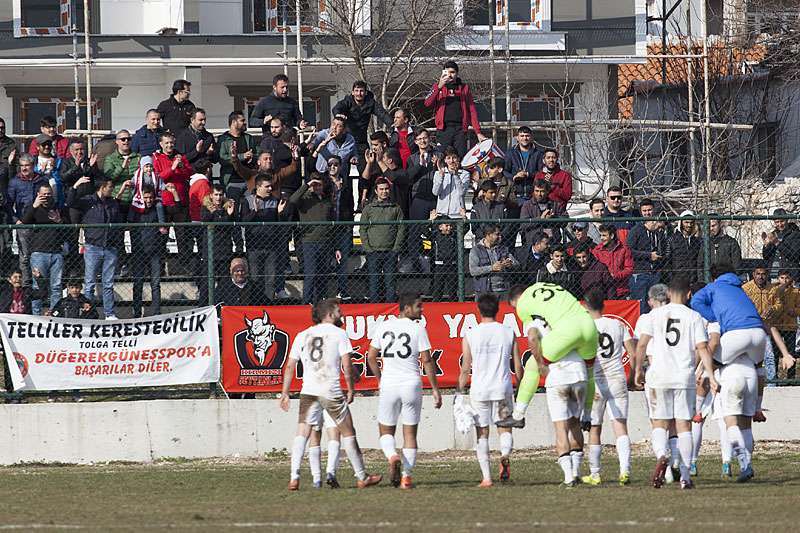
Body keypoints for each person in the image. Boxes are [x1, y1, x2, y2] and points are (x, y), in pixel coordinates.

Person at [281, 298, 382, 490]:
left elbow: (290, 366)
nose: (341, 314)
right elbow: (346, 364)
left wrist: (285, 392)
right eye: (338, 311)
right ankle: (362, 476)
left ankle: (294, 477)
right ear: (329, 315)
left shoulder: (303, 335)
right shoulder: (339, 333)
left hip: (308, 390)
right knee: (348, 432)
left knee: (302, 433)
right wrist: (351, 388)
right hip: (330, 390)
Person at [635, 276, 718, 489]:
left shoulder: (654, 315)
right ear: (689, 294)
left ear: (669, 294)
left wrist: (637, 370)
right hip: (683, 378)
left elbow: (642, 344)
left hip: (659, 377)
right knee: (684, 427)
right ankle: (684, 477)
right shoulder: (694, 317)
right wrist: (710, 373)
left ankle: (662, 454)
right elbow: (702, 348)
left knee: (660, 423)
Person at [497, 282, 598, 433]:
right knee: (590, 373)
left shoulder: (523, 304)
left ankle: (518, 414)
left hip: (568, 329)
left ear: (517, 298)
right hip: (589, 324)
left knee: (532, 364)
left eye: (514, 306)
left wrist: (540, 365)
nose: (516, 310)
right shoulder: (543, 285)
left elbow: (532, 337)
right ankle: (588, 416)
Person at [367, 292, 442, 489]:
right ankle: (406, 479)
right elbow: (427, 360)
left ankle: (392, 457)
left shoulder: (384, 326)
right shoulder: (418, 329)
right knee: (410, 435)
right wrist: (435, 389)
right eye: (419, 306)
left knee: (385, 431)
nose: (422, 309)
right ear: (406, 308)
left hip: (390, 385)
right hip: (411, 384)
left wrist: (379, 380)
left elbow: (371, 356)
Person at [457, 291, 522, 486]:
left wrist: (458, 392)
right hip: (502, 387)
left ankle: (486, 478)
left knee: (482, 433)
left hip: (480, 390)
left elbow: (465, 368)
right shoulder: (508, 332)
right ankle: (504, 455)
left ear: (478, 310)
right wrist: (521, 387)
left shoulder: (470, 334)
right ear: (498, 309)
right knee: (505, 428)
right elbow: (518, 365)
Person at [581, 291, 636, 486]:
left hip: (596, 380)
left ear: (586, 306)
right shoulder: (617, 324)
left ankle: (595, 475)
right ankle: (625, 471)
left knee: (594, 428)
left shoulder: (585, 327)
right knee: (620, 426)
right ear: (603, 305)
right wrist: (634, 375)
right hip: (617, 378)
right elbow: (632, 351)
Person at [67, 176, 125, 319]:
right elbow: (70, 202)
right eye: (110, 187)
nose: (112, 189)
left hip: (110, 247)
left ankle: (109, 314)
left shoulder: (113, 203)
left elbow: (118, 222)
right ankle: (88, 314)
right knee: (90, 283)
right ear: (102, 187)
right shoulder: (88, 201)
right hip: (93, 246)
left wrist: (116, 242)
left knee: (108, 283)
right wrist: (75, 186)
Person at [290, 173, 336, 305]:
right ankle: (305, 303)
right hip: (309, 242)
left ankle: (318, 304)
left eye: (319, 184)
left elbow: (333, 224)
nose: (316, 187)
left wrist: (336, 247)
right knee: (311, 274)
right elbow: (293, 200)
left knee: (323, 276)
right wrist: (307, 185)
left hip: (326, 243)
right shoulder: (305, 198)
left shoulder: (327, 201)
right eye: (314, 184)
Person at [21, 183, 67, 315]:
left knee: (56, 287)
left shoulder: (57, 209)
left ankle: (55, 313)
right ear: (38, 195)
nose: (46, 197)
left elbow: (67, 231)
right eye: (43, 194)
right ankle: (36, 315)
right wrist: (35, 205)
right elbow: (24, 222)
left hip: (56, 253)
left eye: (49, 194)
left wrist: (59, 221)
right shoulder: (32, 209)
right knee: (37, 287)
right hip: (39, 253)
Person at [424, 60, 486, 157]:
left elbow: (472, 110)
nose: (449, 75)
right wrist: (439, 86)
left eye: (452, 72)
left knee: (460, 158)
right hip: (444, 129)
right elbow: (427, 103)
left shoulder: (464, 88)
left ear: (457, 73)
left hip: (460, 129)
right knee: (440, 157)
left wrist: (478, 132)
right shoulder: (438, 87)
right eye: (447, 72)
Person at [151, 132, 194, 273]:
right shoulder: (156, 158)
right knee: (162, 237)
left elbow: (189, 175)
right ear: (161, 144)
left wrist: (181, 166)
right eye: (167, 143)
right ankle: (161, 266)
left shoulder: (180, 156)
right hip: (164, 201)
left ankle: (184, 265)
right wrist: (172, 167)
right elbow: (158, 177)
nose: (170, 145)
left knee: (182, 236)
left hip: (180, 201)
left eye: (172, 142)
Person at [240, 175, 287, 301]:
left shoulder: (276, 201)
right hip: (254, 247)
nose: (270, 188)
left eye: (271, 186)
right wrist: (255, 211)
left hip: (272, 248)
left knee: (270, 280)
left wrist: (279, 213)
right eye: (267, 186)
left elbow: (280, 224)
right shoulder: (247, 200)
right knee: (255, 279)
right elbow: (243, 221)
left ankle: (269, 305)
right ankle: (257, 306)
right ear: (258, 187)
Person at [360, 178, 404, 303]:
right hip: (373, 252)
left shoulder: (396, 208)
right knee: (374, 283)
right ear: (376, 191)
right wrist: (368, 249)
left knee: (390, 283)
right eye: (381, 189)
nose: (384, 191)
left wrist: (396, 248)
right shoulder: (369, 209)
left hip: (390, 251)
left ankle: (390, 310)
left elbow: (401, 228)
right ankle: (375, 310)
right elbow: (363, 229)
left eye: (386, 189)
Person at [332, 80, 393, 170]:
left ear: (365, 92)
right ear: (353, 92)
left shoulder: (370, 103)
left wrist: (390, 129)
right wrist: (338, 114)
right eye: (356, 91)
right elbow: (337, 107)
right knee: (343, 170)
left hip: (361, 142)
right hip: (346, 141)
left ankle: (364, 184)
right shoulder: (348, 101)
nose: (359, 94)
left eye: (361, 91)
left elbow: (383, 115)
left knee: (366, 168)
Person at [8, 153, 49, 285]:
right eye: (22, 166)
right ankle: (26, 286)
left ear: (33, 166)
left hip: (40, 222)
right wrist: (16, 220)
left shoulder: (41, 180)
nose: (24, 168)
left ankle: (40, 287)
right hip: (23, 222)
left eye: (27, 165)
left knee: (39, 256)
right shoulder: (15, 181)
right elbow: (8, 204)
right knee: (24, 257)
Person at [128, 184, 166, 317]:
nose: (148, 200)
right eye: (146, 198)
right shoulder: (135, 210)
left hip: (154, 251)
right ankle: (137, 314)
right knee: (138, 283)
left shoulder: (158, 210)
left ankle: (156, 313)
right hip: (138, 252)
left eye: (150, 198)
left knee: (155, 284)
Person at [625, 208, 667, 312]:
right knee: (641, 307)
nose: (660, 229)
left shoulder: (656, 234)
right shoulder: (636, 231)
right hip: (640, 274)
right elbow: (628, 250)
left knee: (654, 306)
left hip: (653, 274)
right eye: (659, 227)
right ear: (653, 221)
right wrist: (648, 255)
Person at [327, 155, 355, 300]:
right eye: (330, 164)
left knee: (342, 260)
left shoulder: (346, 183)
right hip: (327, 228)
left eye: (336, 164)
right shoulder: (324, 183)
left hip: (343, 226)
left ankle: (342, 289)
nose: (333, 167)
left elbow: (350, 205)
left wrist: (350, 223)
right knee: (325, 260)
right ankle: (322, 291)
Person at [469, 223, 519, 300]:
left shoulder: (503, 249)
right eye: (497, 234)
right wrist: (492, 268)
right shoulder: (476, 250)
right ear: (489, 234)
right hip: (485, 292)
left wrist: (511, 264)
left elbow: (517, 264)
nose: (500, 237)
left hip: (504, 291)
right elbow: (473, 271)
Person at [766, 269, 799, 379]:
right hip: (776, 324)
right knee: (775, 353)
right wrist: (780, 290)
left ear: (791, 278)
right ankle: (774, 376)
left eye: (787, 278)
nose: (785, 280)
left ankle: (791, 377)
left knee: (791, 351)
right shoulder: (773, 290)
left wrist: (794, 311)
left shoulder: (795, 292)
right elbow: (769, 302)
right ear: (778, 278)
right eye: (782, 278)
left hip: (790, 325)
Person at [503, 126, 543, 213]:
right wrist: (514, 176)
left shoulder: (538, 153)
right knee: (514, 223)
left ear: (531, 137)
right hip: (515, 196)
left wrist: (528, 174)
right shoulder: (511, 153)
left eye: (527, 136)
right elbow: (504, 171)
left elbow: (541, 172)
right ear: (517, 138)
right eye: (522, 136)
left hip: (533, 196)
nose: (524, 138)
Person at [103, 129, 141, 220]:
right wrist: (122, 167)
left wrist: (141, 170)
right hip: (118, 199)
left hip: (135, 200)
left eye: (129, 139)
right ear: (117, 141)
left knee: (136, 231)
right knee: (117, 231)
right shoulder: (110, 158)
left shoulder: (138, 157)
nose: (126, 141)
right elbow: (109, 178)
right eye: (123, 139)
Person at [309, 117, 358, 182]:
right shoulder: (325, 134)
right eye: (333, 124)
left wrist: (354, 157)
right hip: (323, 172)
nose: (334, 128)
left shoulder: (350, 140)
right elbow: (316, 139)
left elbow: (354, 152)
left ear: (344, 130)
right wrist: (312, 144)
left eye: (339, 126)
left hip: (340, 175)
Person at [592, 224, 634, 299]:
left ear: (612, 236)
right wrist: (605, 277)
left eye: (604, 235)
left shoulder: (624, 249)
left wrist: (615, 275)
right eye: (600, 235)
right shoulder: (597, 251)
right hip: (604, 292)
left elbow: (629, 269)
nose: (601, 238)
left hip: (621, 291)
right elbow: (594, 271)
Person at [520, 178, 566, 246]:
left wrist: (553, 219)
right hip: (535, 243)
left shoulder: (555, 204)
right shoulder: (527, 205)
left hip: (553, 243)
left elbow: (565, 220)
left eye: (542, 191)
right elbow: (524, 224)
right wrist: (540, 219)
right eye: (536, 191)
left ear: (547, 191)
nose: (539, 194)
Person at [663, 210, 703, 284]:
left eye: (691, 223)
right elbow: (667, 262)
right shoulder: (672, 240)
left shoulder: (696, 242)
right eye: (686, 222)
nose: (689, 225)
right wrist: (671, 278)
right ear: (681, 223)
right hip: (677, 281)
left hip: (693, 280)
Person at [432, 146, 470, 219]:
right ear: (445, 160)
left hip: (458, 215)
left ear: (458, 158)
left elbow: (462, 192)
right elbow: (436, 192)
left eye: (454, 157)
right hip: (441, 214)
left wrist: (456, 176)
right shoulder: (438, 173)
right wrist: (441, 175)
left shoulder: (465, 174)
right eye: (448, 158)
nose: (451, 161)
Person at [761, 208, 800, 279]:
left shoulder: (795, 235)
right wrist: (766, 245)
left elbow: (795, 255)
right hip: (774, 276)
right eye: (777, 222)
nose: (780, 224)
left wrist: (777, 243)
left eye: (782, 221)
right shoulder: (773, 234)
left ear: (787, 220)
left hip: (789, 276)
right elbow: (766, 257)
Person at [429, 214, 458, 301]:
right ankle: (436, 308)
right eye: (446, 225)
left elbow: (465, 229)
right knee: (438, 290)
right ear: (440, 227)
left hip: (452, 266)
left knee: (452, 291)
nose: (449, 228)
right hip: (440, 266)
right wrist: (430, 221)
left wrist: (464, 218)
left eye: (450, 225)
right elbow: (424, 230)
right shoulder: (435, 235)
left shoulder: (454, 235)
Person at [359, 131, 389, 208]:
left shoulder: (392, 156)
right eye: (372, 145)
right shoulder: (372, 157)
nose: (373, 148)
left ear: (384, 144)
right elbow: (365, 180)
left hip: (389, 196)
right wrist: (369, 163)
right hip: (373, 197)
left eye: (376, 145)